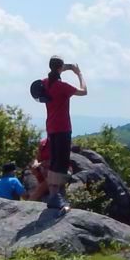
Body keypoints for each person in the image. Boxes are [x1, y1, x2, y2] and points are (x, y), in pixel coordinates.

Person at [33, 57, 86, 210]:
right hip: (63, 127)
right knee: (61, 163)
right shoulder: (62, 86)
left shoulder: (44, 82)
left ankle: (55, 196)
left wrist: (67, 67)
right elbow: (84, 91)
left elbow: (55, 72)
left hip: (51, 127)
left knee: (55, 160)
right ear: (60, 68)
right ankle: (55, 196)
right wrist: (79, 74)